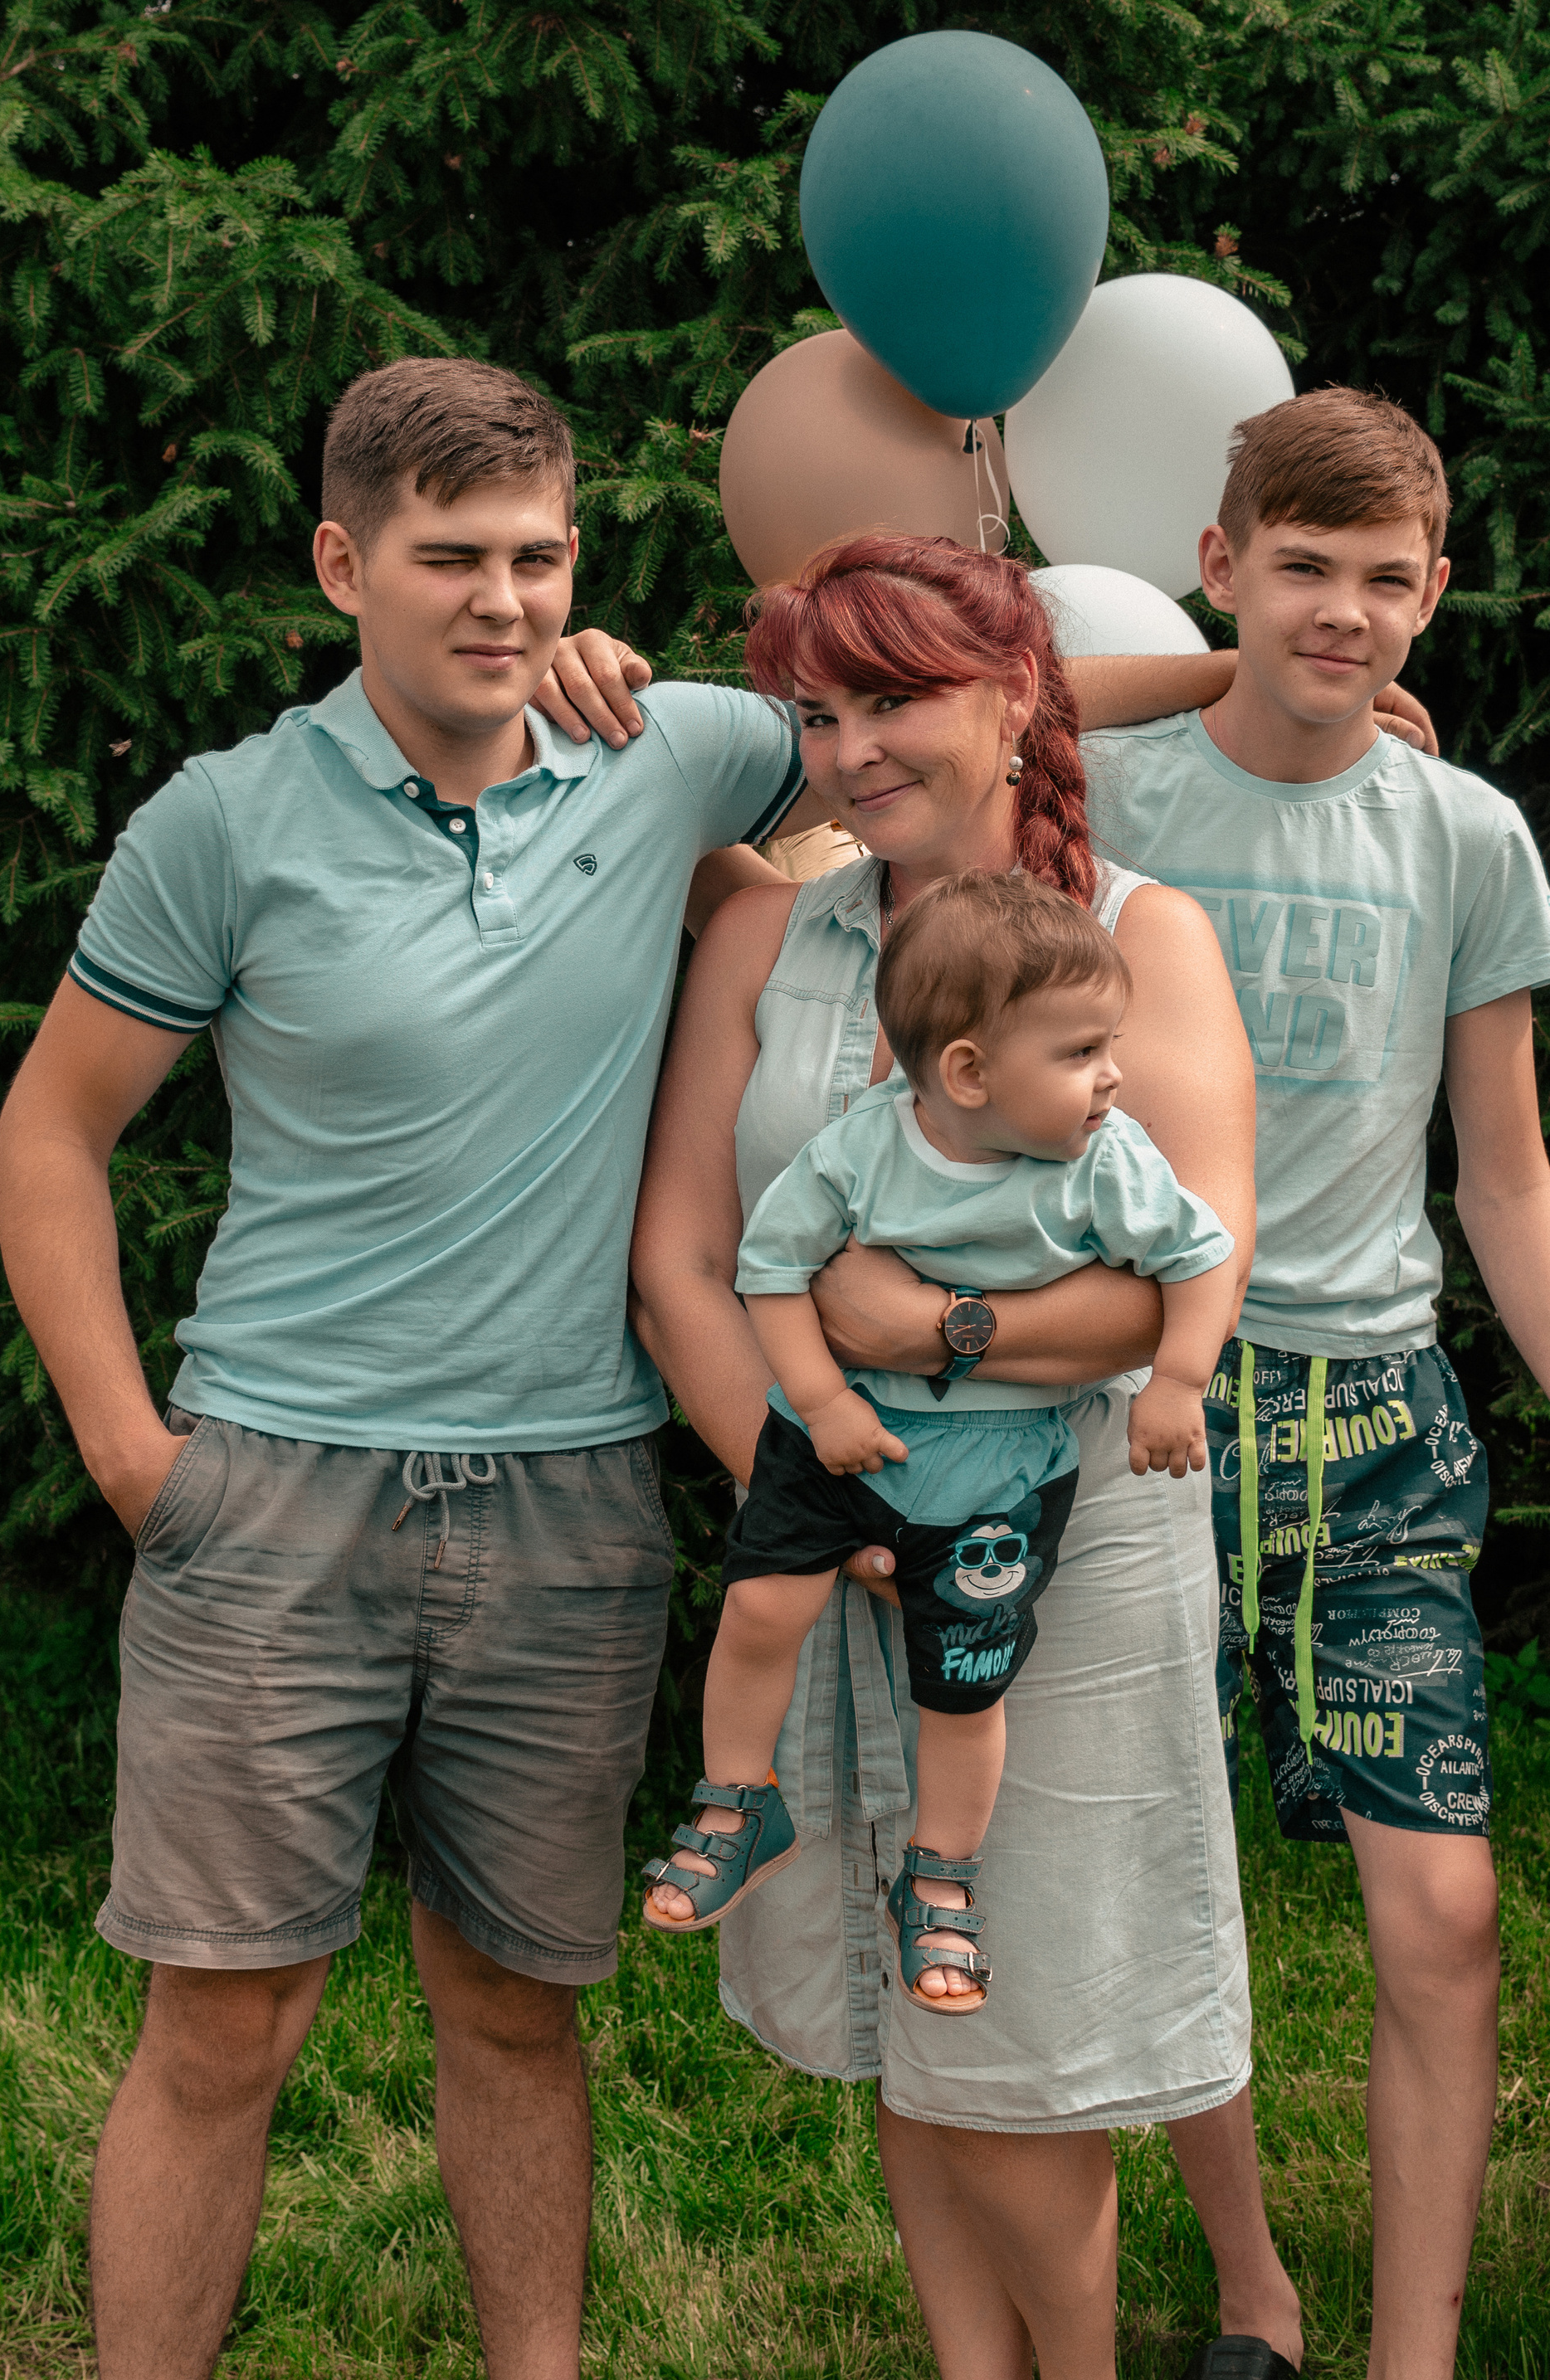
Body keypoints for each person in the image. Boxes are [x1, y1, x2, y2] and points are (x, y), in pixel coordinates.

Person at [0, 352, 1286, 2380]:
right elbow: (52, 1133)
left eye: (536, 557)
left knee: (519, 2008)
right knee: (222, 2020)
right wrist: (136, 1456)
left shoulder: (665, 750)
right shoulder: (223, 823)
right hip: (278, 1486)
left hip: (567, 1504)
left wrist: (1267, 685)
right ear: (341, 563)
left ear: (577, 558)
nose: (501, 600)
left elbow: (951, 697)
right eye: (449, 558)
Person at [630, 531, 1281, 2380]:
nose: (850, 752)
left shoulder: (1141, 938)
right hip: (825, 1524)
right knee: (899, 2018)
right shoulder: (770, 933)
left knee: (1026, 2032)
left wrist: (930, 1334)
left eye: (895, 700)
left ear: (1017, 702)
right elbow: (682, 1258)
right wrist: (829, 1495)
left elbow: (1183, 1275)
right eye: (819, 713)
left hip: (1054, 1550)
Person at [1079, 387, 1550, 2380]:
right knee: (1161, 1879)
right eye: (1299, 571)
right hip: (1144, 1410)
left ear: (1435, 591)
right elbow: (968, 700)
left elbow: (1504, 1169)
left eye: (1384, 579)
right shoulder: (1111, 801)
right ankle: (1254, 2293)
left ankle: (1411, 2356)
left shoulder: (1468, 835)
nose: (1342, 613)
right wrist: (1209, 675)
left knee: (1442, 1910)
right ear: (1221, 566)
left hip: (1377, 1432)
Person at [641, 870, 1239, 2028]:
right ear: (968, 1072)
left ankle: (941, 1875)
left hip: (994, 1472)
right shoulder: (861, 1150)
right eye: (1081, 1052)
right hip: (838, 1437)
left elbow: (1201, 1258)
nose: (1113, 1075)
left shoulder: (1106, 1164)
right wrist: (821, 1402)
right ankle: (738, 1800)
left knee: (962, 1693)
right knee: (759, 1609)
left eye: (1109, 1045)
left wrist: (1178, 1381)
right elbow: (771, 1269)